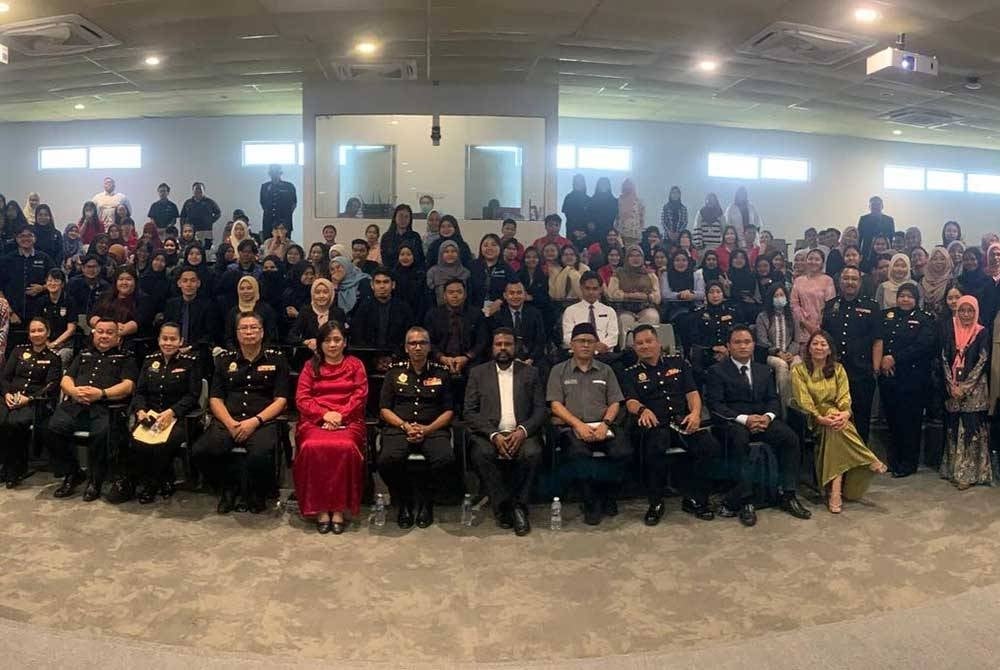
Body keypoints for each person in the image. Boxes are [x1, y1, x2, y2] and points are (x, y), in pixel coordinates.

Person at [705, 326, 812, 526]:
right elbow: (716, 405)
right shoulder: (716, 371)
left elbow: (773, 399)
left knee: (790, 438)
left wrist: (768, 417)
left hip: (763, 420)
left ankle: (788, 494)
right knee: (739, 440)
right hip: (733, 422)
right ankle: (746, 500)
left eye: (747, 342)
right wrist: (745, 419)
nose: (743, 346)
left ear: (754, 345)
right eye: (737, 342)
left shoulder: (764, 370)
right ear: (728, 346)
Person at [622, 324, 719, 525]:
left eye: (649, 341)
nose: (645, 346)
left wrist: (695, 414)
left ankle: (695, 498)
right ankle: (656, 502)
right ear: (634, 348)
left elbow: (692, 392)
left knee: (709, 446)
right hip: (655, 425)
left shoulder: (678, 363)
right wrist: (642, 410)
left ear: (658, 343)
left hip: (682, 421)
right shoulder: (630, 373)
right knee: (654, 449)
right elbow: (630, 401)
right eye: (639, 343)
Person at [194, 311, 289, 513]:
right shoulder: (224, 360)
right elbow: (215, 398)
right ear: (237, 333)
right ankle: (228, 487)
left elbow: (281, 400)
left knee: (261, 454)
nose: (249, 332)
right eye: (244, 328)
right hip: (229, 419)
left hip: (262, 421)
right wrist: (229, 423)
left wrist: (255, 421)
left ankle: (256, 492)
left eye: (254, 327)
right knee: (203, 450)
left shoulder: (277, 359)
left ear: (262, 332)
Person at [791, 331, 886, 513]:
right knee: (837, 425)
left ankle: (835, 491)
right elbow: (803, 400)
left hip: (835, 418)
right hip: (813, 418)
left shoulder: (838, 369)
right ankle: (868, 457)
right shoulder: (799, 370)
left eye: (823, 344)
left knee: (835, 429)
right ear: (809, 348)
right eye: (815, 344)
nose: (819, 347)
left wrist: (844, 413)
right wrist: (819, 417)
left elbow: (844, 396)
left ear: (829, 350)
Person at [465, 329, 546, 535]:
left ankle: (519, 506)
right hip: (490, 434)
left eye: (507, 344)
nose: (503, 348)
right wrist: (494, 435)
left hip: (522, 433)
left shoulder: (530, 373)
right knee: (482, 454)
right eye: (498, 344)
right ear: (492, 347)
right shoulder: (478, 373)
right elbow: (470, 411)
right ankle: (502, 507)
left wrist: (522, 431)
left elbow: (540, 409)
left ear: (515, 347)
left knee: (532, 453)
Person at [547, 322, 629, 525]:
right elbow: (555, 405)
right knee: (579, 454)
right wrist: (578, 425)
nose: (585, 345)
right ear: (571, 344)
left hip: (603, 425)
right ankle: (590, 501)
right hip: (571, 427)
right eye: (580, 341)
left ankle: (607, 496)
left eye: (590, 341)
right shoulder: (558, 371)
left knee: (622, 452)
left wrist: (605, 424)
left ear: (596, 345)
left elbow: (615, 402)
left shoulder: (606, 370)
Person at [49, 318, 138, 501]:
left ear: (118, 338)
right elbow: (66, 379)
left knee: (102, 434)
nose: (104, 336)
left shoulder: (126, 358)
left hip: (106, 407)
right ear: (93, 334)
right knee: (53, 428)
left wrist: (102, 394)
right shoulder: (83, 355)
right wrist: (73, 391)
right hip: (76, 405)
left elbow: (128, 386)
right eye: (100, 332)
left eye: (109, 333)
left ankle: (95, 480)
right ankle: (72, 473)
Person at [294, 321, 368, 534]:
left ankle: (338, 509)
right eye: (327, 340)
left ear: (345, 342)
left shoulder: (355, 365)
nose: (332, 345)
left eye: (337, 340)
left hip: (349, 420)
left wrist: (340, 415)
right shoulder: (310, 366)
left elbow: (360, 396)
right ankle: (319, 508)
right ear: (320, 343)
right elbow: (302, 398)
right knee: (310, 446)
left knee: (346, 447)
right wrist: (324, 415)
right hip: (315, 420)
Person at [378, 326, 456, 529]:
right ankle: (403, 501)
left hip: (433, 429)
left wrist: (427, 429)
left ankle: (427, 501)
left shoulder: (441, 373)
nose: (418, 347)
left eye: (422, 343)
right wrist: (405, 426)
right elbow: (384, 409)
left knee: (445, 459)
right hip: (399, 427)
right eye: (413, 343)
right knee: (387, 460)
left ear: (429, 347)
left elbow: (449, 411)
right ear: (406, 348)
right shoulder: (394, 372)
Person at [128, 323, 200, 504]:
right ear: (159, 340)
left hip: (178, 417)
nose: (168, 343)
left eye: (173, 339)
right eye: (164, 338)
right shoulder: (149, 360)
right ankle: (158, 479)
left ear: (181, 341)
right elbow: (140, 392)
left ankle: (154, 483)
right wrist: (140, 410)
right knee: (136, 441)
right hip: (151, 416)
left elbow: (193, 395)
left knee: (162, 444)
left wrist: (172, 412)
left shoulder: (190, 362)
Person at [821, 267, 882, 445]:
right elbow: (823, 338)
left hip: (862, 371)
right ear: (839, 281)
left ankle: (860, 454)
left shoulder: (871, 306)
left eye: (854, 279)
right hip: (834, 371)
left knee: (861, 416)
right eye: (846, 278)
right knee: (835, 416)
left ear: (860, 283)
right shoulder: (831, 305)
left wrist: (875, 369)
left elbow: (878, 340)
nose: (850, 282)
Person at [878, 283, 935, 477]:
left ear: (916, 299)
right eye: (902, 295)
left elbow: (923, 345)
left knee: (909, 422)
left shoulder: (924, 319)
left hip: (912, 380)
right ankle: (894, 460)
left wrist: (894, 358)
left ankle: (908, 463)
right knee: (892, 421)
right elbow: (879, 340)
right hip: (889, 377)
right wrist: (883, 360)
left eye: (910, 296)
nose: (905, 299)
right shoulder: (887, 315)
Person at [0, 317, 62, 487]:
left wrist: (30, 398)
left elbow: (51, 386)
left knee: (15, 423)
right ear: (28, 334)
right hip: (9, 397)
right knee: (1, 421)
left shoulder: (53, 358)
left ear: (48, 333)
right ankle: (5, 465)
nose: (36, 334)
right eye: (33, 331)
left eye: (40, 330)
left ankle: (15, 469)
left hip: (34, 402)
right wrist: (7, 394)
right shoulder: (18, 351)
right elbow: (5, 377)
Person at [941, 296, 992, 489]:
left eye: (970, 311)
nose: (966, 314)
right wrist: (951, 385)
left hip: (974, 389)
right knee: (954, 427)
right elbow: (944, 357)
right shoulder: (950, 330)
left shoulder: (982, 332)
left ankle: (969, 474)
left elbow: (983, 360)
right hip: (952, 387)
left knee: (971, 428)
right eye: (962, 310)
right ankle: (953, 470)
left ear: (976, 312)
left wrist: (965, 387)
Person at [425, 279, 488, 376]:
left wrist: (467, 357)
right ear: (444, 296)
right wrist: (441, 357)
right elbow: (429, 341)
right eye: (451, 292)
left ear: (465, 295)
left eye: (459, 292)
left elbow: (482, 341)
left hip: (470, 361)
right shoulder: (433, 315)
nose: (455, 295)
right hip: (440, 360)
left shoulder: (476, 314)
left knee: (476, 372)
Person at [349, 269, 416, 359]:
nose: (382, 286)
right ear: (372, 285)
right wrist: (375, 359)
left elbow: (409, 337)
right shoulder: (362, 308)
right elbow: (357, 337)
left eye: (386, 282)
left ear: (393, 285)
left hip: (398, 357)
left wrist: (394, 356)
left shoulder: (404, 308)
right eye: (378, 282)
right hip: (369, 358)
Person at [755, 283, 800, 412]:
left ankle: (799, 406)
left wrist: (790, 353)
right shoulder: (763, 317)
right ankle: (784, 408)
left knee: (797, 364)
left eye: (782, 295)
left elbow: (796, 340)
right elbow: (762, 341)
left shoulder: (792, 316)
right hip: (770, 355)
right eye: (776, 296)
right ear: (770, 298)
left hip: (790, 353)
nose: (779, 298)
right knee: (781, 365)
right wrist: (778, 353)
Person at [163, 266, 219, 363]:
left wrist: (191, 347)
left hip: (199, 352)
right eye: (185, 281)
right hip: (173, 349)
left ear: (198, 283)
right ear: (179, 283)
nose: (189, 284)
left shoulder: (208, 305)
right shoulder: (171, 305)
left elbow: (210, 334)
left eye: (193, 281)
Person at [1, 226, 54, 326]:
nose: (26, 238)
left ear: (35, 238)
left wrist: (42, 288)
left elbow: (58, 281)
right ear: (17, 239)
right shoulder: (7, 260)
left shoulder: (44, 258)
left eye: (29, 235)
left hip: (39, 315)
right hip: (12, 315)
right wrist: (10, 313)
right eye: (22, 236)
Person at [488, 279, 547, 368]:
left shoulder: (535, 313)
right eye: (511, 293)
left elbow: (540, 340)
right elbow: (493, 342)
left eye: (519, 293)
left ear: (525, 295)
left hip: (531, 358)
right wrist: (512, 359)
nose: (515, 296)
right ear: (505, 295)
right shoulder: (498, 316)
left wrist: (531, 359)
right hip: (505, 357)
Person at [560, 271, 618, 356]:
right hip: (578, 354)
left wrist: (599, 347)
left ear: (600, 289)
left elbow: (613, 336)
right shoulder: (570, 311)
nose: (591, 292)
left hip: (604, 354)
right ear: (581, 288)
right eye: (587, 288)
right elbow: (567, 337)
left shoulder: (609, 311)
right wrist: (587, 346)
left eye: (595, 289)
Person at [606, 244, 661, 334]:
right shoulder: (618, 273)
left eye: (638, 255)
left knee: (652, 317)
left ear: (642, 258)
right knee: (625, 320)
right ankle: (627, 343)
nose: (635, 258)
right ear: (627, 258)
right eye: (632, 256)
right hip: (624, 309)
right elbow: (611, 294)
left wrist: (646, 297)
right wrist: (629, 296)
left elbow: (657, 298)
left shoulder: (650, 274)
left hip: (646, 308)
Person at [791, 249, 835, 348]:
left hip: (821, 325)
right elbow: (794, 304)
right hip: (802, 325)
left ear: (822, 263)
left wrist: (818, 326)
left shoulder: (828, 280)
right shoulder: (798, 281)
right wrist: (805, 322)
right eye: (810, 258)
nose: (813, 262)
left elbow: (830, 305)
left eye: (817, 259)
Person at [690, 281, 737, 373]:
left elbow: (736, 334)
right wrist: (714, 348)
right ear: (706, 295)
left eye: (718, 292)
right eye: (711, 292)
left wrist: (727, 349)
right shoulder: (698, 314)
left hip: (729, 352)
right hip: (706, 354)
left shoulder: (732, 312)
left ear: (723, 294)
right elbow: (695, 337)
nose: (715, 295)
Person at [224, 276, 279, 350]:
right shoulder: (233, 312)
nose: (245, 291)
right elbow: (229, 338)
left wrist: (259, 353)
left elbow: (271, 336)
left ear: (256, 289)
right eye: (242, 289)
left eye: (249, 288)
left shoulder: (266, 310)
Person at [467, 234, 515, 318]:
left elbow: (514, 289)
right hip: (474, 313)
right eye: (485, 245)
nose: (489, 248)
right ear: (481, 248)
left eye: (494, 245)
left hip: (500, 312)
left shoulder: (507, 268)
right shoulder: (471, 266)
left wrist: (500, 301)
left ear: (500, 248)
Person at [38, 269, 78, 367]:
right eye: (49, 280)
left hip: (65, 345)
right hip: (44, 342)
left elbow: (71, 329)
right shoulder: (41, 301)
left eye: (56, 281)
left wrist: (55, 344)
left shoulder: (70, 301)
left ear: (62, 284)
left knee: (59, 360)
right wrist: (46, 343)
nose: (52, 283)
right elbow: (38, 325)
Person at [380, 204, 425, 269]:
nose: (403, 219)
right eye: (400, 216)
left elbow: (420, 258)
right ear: (395, 217)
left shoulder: (415, 237)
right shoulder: (386, 237)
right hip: (391, 272)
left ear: (410, 219)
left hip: (412, 272)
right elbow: (385, 260)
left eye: (406, 217)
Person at [259, 164, 297, 239]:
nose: (274, 175)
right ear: (269, 174)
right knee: (268, 242)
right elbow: (263, 203)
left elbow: (293, 204)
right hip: (268, 222)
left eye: (276, 173)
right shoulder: (265, 187)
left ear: (280, 173)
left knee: (285, 243)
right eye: (272, 173)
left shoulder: (289, 186)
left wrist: (285, 215)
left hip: (284, 222)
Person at [920, 247, 954, 320]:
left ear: (948, 261)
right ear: (930, 261)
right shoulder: (922, 281)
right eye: (935, 259)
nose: (938, 262)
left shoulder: (952, 282)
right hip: (924, 321)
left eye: (942, 259)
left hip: (947, 321)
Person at [858, 196, 895, 261]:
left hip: (885, 253)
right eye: (873, 205)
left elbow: (892, 238)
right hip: (867, 254)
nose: (875, 207)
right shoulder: (863, 219)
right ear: (869, 207)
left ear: (882, 206)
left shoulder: (889, 220)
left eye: (878, 205)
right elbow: (859, 238)